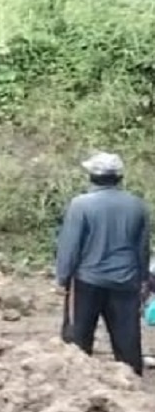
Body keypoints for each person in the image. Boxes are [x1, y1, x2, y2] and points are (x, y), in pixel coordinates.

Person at [56, 152, 150, 376]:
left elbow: (70, 245)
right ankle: (131, 380)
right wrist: (144, 279)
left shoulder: (81, 205)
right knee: (127, 336)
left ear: (92, 177)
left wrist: (62, 277)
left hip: (87, 280)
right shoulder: (137, 205)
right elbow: (143, 248)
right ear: (119, 177)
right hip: (126, 280)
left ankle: (76, 380)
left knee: (77, 337)